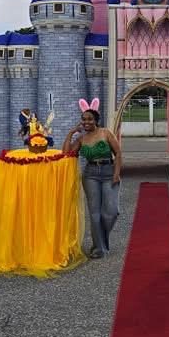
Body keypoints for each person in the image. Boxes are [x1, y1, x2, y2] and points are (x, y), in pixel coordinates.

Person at [62, 99, 122, 259]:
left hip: (109, 172)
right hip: (90, 175)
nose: (86, 122)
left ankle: (101, 240)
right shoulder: (81, 139)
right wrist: (71, 133)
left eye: (89, 119)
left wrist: (116, 173)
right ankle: (99, 248)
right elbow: (66, 153)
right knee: (94, 213)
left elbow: (118, 153)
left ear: (96, 120)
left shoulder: (106, 133)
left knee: (111, 211)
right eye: (84, 119)